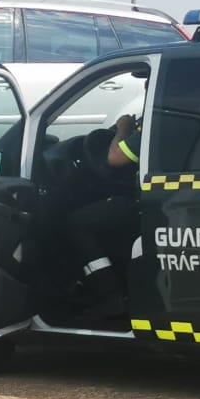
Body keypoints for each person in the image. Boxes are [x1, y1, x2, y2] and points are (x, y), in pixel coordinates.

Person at [61, 113, 142, 308]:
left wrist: (123, 128)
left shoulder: (157, 121)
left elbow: (115, 158)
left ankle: (109, 293)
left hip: (143, 201)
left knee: (78, 223)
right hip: (158, 196)